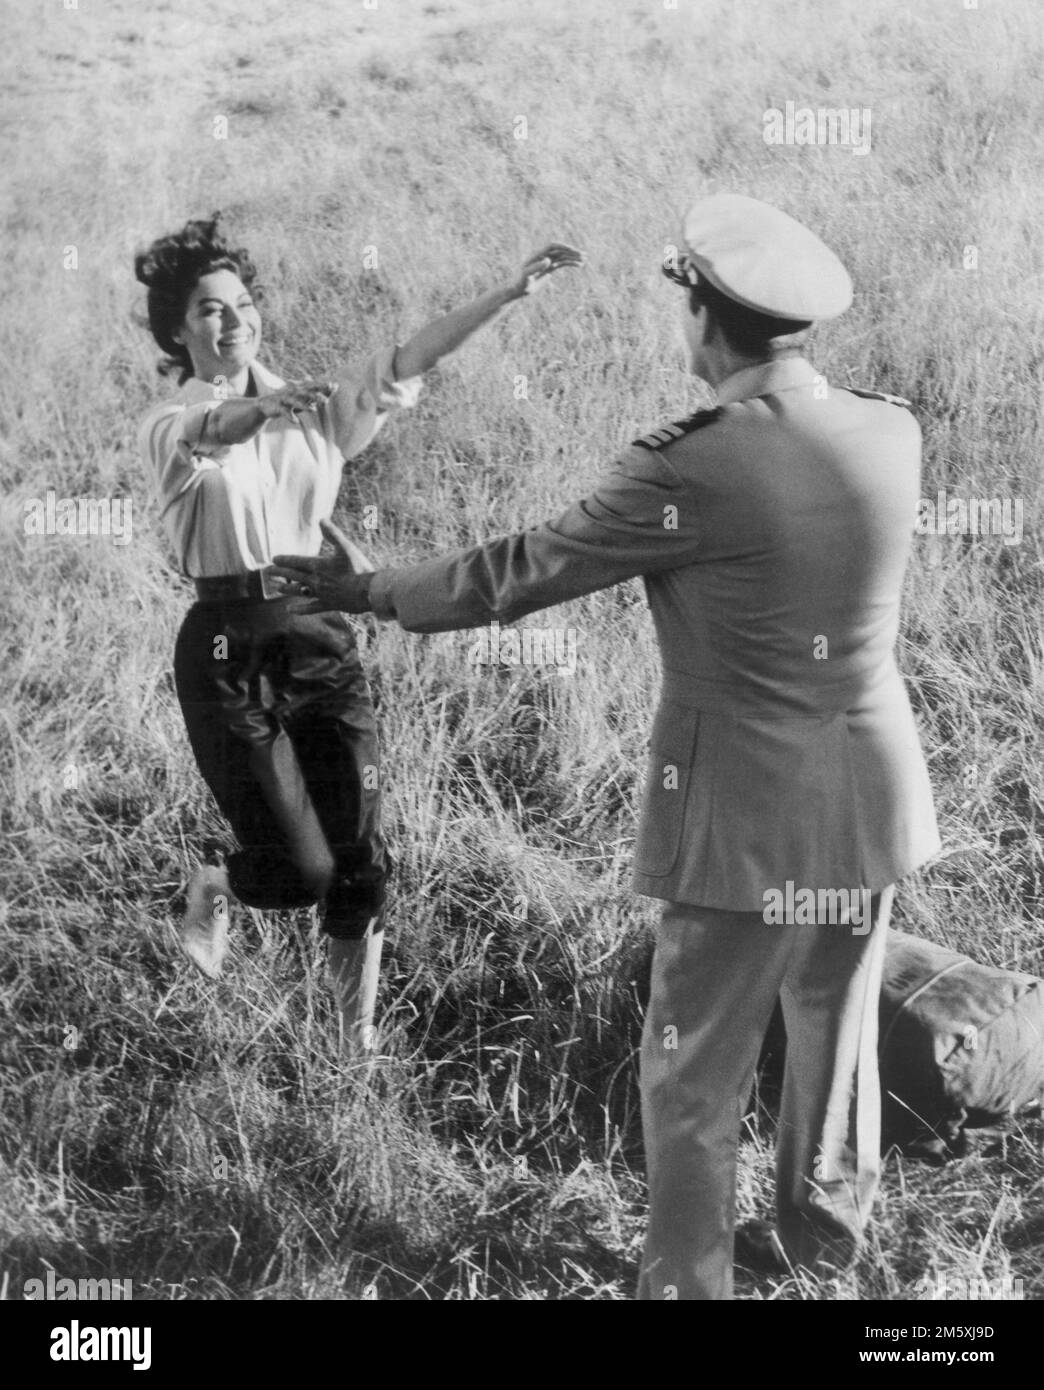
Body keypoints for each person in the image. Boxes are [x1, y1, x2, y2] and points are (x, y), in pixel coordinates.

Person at [271, 193, 940, 1294]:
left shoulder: (690, 464)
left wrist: (371, 589)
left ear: (702, 318)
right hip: (870, 798)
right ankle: (824, 1245)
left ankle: (685, 1282)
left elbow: (519, 572)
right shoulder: (890, 424)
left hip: (742, 824)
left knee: (693, 1074)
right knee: (838, 1024)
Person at [135, 213, 582, 1053]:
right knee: (299, 871)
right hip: (227, 647)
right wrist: (258, 407)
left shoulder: (316, 410)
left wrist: (508, 293)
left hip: (319, 634)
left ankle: (355, 1048)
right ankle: (214, 879)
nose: (230, 321)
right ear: (177, 328)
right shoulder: (170, 424)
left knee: (360, 862)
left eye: (239, 305)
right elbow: (218, 431)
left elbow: (410, 359)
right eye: (207, 311)